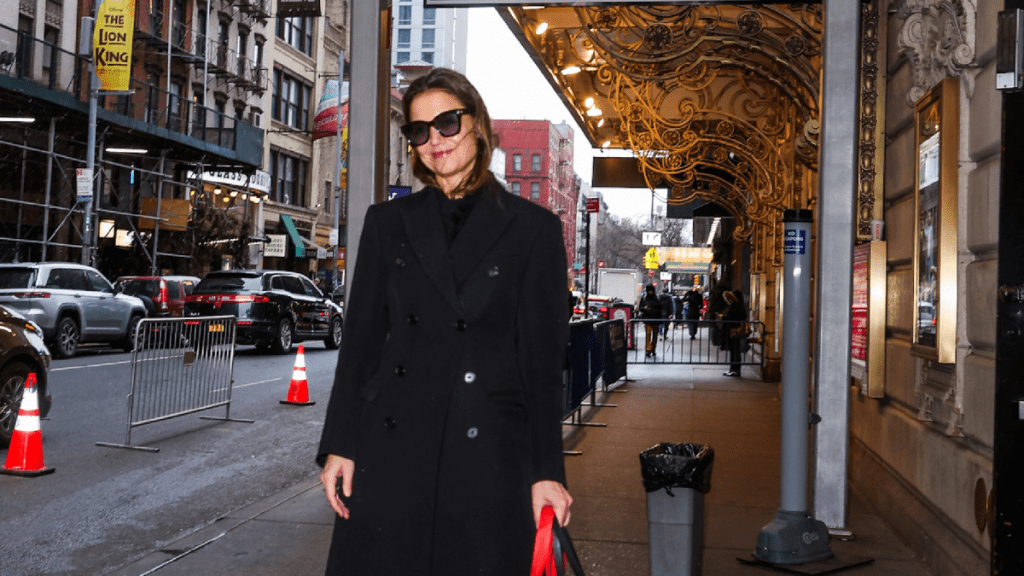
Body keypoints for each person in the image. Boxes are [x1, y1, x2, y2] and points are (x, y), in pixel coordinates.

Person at [316, 68, 572, 576]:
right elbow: (362, 345)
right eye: (419, 130)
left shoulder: (533, 230)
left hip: (491, 453)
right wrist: (339, 445)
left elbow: (542, 367)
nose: (435, 140)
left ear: (477, 124)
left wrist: (547, 472)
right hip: (393, 449)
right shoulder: (389, 223)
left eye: (448, 123)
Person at [722, 290, 748, 377]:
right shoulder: (739, 306)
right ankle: (733, 369)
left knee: (734, 351)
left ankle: (735, 369)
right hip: (733, 331)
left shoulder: (736, 307)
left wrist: (723, 317)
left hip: (734, 331)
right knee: (734, 351)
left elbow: (733, 317)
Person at [639, 284, 663, 357]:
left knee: (655, 335)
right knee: (648, 334)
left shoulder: (657, 298)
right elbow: (640, 307)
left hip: (656, 318)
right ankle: (648, 349)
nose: (650, 292)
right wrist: (644, 308)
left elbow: (661, 308)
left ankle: (653, 348)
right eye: (649, 291)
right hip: (648, 318)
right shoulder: (644, 298)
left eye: (651, 291)